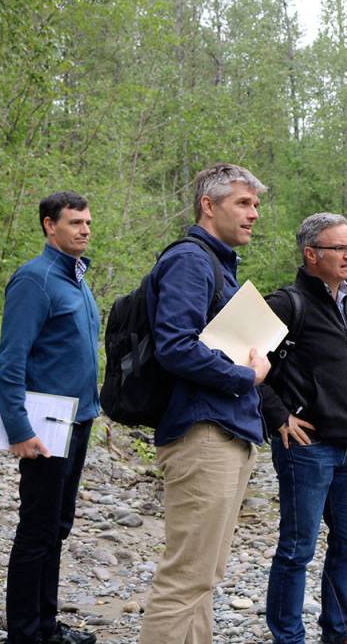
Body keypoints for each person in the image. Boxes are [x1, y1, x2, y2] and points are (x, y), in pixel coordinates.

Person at [138, 163, 272, 644]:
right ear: (208, 206)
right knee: (186, 578)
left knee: (205, 576)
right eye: (243, 203)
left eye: (255, 204)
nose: (254, 213)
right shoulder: (191, 261)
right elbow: (175, 346)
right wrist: (245, 375)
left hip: (227, 430)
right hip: (203, 433)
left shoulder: (216, 264)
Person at [259, 213, 347, 644]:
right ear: (312, 255)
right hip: (307, 447)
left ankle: (339, 630)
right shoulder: (285, 303)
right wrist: (277, 416)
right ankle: (288, 637)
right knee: (297, 550)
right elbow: (237, 356)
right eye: (339, 248)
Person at [0, 192, 101, 644]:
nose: (84, 230)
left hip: (78, 419)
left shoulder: (76, 277)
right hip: (45, 424)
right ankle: (24, 633)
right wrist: (19, 428)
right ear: (48, 225)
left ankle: (47, 627)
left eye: (88, 223)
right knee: (37, 528)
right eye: (75, 222)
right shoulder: (34, 280)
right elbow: (10, 360)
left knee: (57, 525)